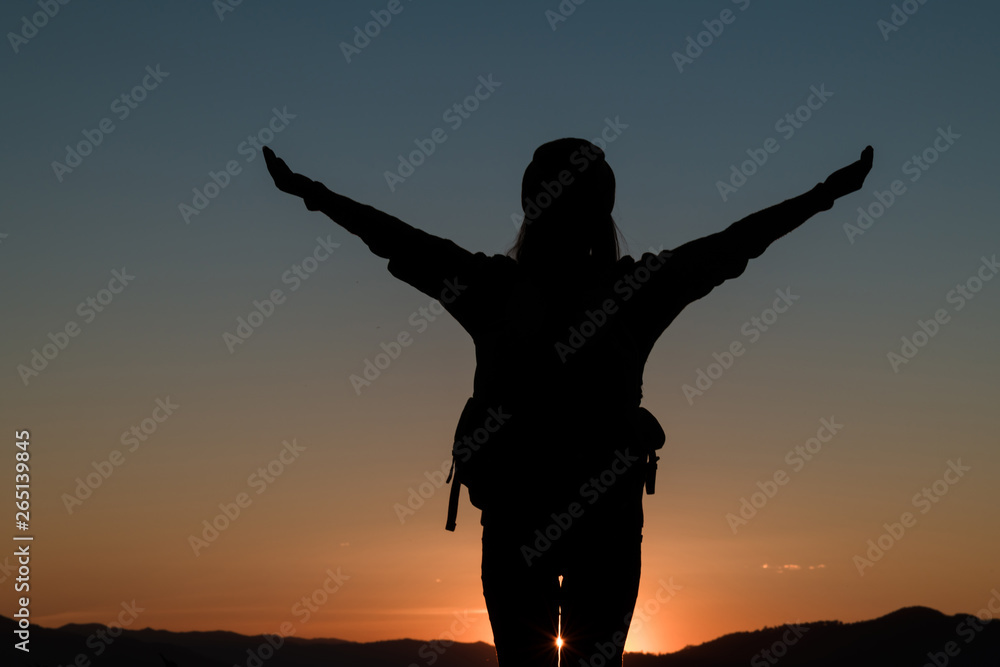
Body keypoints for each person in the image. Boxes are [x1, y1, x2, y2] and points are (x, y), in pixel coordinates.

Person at [263, 139, 874, 666]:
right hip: (593, 524)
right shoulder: (626, 291)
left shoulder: (499, 289)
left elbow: (397, 241)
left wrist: (311, 193)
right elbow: (734, 246)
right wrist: (824, 194)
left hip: (527, 520)